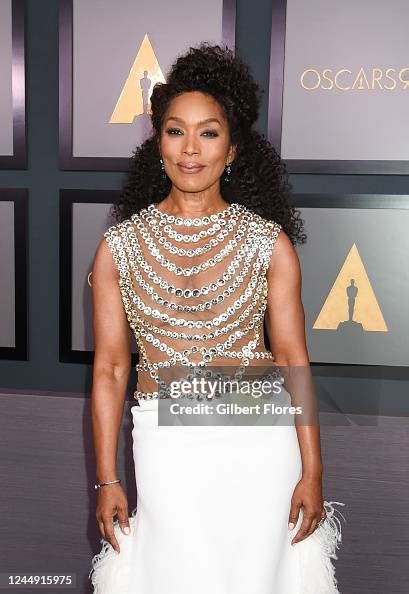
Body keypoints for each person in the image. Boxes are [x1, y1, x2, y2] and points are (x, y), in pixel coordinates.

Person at [88, 42, 346, 593]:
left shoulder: (268, 244)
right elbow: (111, 369)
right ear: (158, 143)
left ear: (232, 151)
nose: (190, 149)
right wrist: (107, 478)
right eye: (176, 130)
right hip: (167, 447)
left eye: (209, 132)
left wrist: (313, 470)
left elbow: (291, 359)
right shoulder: (120, 248)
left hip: (259, 442)